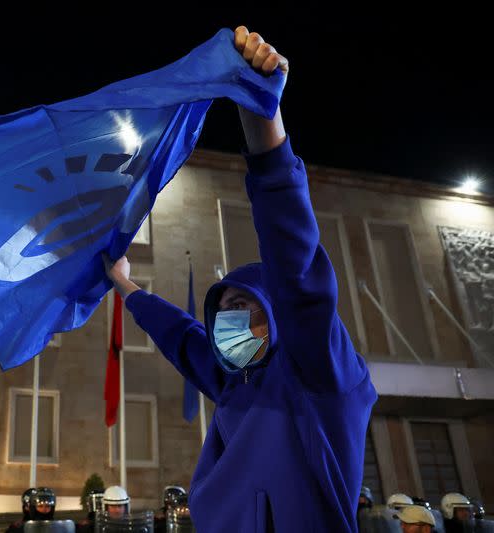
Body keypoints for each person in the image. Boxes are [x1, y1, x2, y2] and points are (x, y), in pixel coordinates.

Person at [104, 24, 377, 533]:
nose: (231, 320)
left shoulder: (321, 376)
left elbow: (295, 267)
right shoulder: (232, 385)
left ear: (278, 317)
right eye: (225, 309)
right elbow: (184, 340)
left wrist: (262, 123)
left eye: (246, 307)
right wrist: (127, 287)